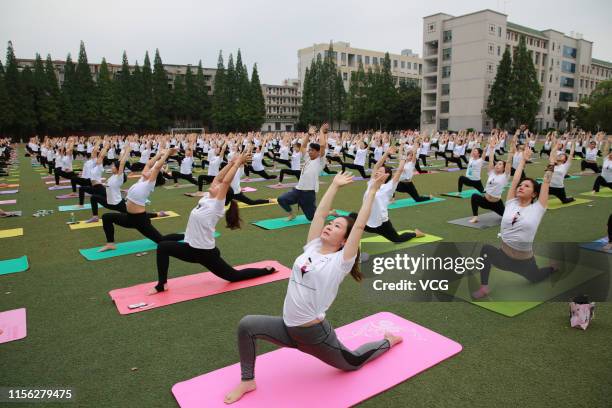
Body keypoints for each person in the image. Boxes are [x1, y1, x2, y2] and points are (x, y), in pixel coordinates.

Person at [224, 171, 402, 404]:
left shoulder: (341, 262)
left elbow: (358, 227)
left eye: (337, 226)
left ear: (344, 241)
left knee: (354, 362)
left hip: (314, 336)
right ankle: (248, 380)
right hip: (288, 328)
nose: (329, 226)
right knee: (247, 325)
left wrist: (373, 190)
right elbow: (319, 214)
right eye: (331, 223)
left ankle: (388, 340)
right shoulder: (312, 247)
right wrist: (334, 186)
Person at [149, 153, 277, 294]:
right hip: (191, 248)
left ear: (222, 195)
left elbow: (225, 182)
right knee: (162, 247)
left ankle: (265, 270)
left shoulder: (217, 206)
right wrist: (230, 162)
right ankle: (162, 284)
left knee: (234, 276)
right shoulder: (208, 198)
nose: (214, 185)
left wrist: (236, 164)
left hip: (205, 252)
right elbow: (218, 178)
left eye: (218, 188)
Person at [471, 146, 558, 299]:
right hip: (503, 257)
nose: (521, 187)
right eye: (521, 186)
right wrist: (522, 160)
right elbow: (515, 179)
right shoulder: (511, 202)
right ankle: (484, 287)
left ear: (535, 194)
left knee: (537, 277)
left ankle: (552, 268)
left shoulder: (538, 208)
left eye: (527, 186)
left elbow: (546, 183)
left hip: (524, 262)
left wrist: (551, 163)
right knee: (486, 249)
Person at [98, 147, 177, 252]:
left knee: (161, 240)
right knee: (106, 217)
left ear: (153, 177)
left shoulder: (149, 184)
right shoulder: (142, 180)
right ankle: (110, 244)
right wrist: (159, 154)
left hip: (140, 220)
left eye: (150, 172)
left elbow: (157, 167)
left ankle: (184, 237)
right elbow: (149, 164)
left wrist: (167, 154)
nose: (147, 171)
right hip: (129, 217)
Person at [358, 146, 425, 242]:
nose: (377, 172)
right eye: (377, 172)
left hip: (381, 223)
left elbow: (399, 171)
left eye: (380, 172)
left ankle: (415, 233)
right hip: (365, 220)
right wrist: (386, 153)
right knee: (350, 219)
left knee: (397, 239)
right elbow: (376, 166)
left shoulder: (389, 187)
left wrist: (403, 158)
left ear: (386, 176)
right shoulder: (372, 183)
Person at [278, 124, 328, 221]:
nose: (309, 152)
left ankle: (329, 212)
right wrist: (308, 134)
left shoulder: (320, 160)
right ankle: (292, 214)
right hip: (297, 190)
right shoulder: (308, 158)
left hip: (308, 194)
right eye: (309, 150)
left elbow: (322, 145)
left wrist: (321, 131)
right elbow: (303, 146)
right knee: (281, 199)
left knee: (312, 218)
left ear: (318, 152)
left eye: (312, 150)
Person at [469, 135, 512, 223]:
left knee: (507, 218)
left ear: (504, 168)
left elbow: (508, 164)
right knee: (474, 196)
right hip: (485, 200)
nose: (497, 165)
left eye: (500, 164)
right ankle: (475, 217)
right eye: (497, 164)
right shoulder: (491, 172)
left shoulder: (505, 176)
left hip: (496, 203)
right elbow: (491, 160)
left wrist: (510, 154)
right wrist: (492, 148)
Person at [548, 138, 576, 204]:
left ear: (565, 160)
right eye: (559, 155)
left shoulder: (565, 166)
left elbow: (571, 154)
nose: (560, 156)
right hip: (548, 186)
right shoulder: (552, 163)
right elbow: (552, 153)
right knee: (537, 192)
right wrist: (557, 145)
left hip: (559, 188)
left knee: (565, 201)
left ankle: (571, 198)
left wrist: (573, 144)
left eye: (562, 156)